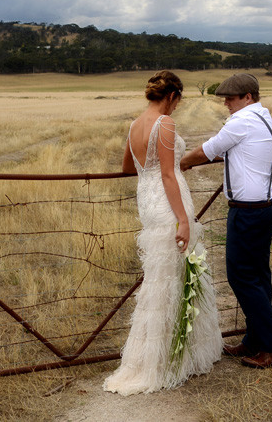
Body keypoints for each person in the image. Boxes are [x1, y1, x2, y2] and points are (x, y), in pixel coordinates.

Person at [103, 70, 222, 395]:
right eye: (178, 102)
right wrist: (183, 219)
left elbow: (129, 167)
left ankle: (159, 355)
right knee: (175, 275)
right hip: (169, 202)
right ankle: (166, 359)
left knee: (162, 277)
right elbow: (169, 175)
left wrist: (151, 167)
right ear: (172, 96)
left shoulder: (135, 124)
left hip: (148, 200)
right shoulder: (164, 123)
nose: (176, 108)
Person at [180, 73, 272, 368]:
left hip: (249, 211)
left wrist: (181, 162)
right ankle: (255, 340)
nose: (226, 103)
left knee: (241, 277)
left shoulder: (242, 121)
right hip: (264, 207)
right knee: (257, 277)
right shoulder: (263, 117)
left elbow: (209, 149)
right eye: (225, 98)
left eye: (231, 98)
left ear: (248, 97)